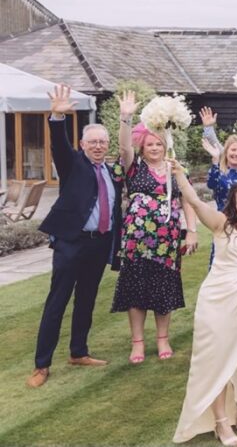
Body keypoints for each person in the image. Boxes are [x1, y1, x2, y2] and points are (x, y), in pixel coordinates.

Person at [171, 174, 237, 446]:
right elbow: (195, 202)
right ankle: (220, 421)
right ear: (234, 205)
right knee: (216, 360)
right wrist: (179, 174)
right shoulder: (223, 225)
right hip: (217, 300)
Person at [27, 85, 124, 388]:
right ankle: (42, 365)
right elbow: (58, 145)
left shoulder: (111, 171)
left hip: (99, 244)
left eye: (102, 142)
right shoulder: (72, 164)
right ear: (82, 145)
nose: (98, 146)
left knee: (86, 299)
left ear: (107, 145)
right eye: (92, 142)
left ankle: (78, 352)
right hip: (71, 243)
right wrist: (57, 117)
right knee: (57, 301)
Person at [112, 91, 198, 365]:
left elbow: (187, 200)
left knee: (163, 289)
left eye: (158, 144)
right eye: (149, 144)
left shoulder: (175, 168)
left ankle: (163, 338)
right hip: (137, 241)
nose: (154, 148)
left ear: (165, 145)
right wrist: (125, 117)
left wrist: (191, 230)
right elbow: (124, 148)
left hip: (167, 241)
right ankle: (137, 342)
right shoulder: (134, 166)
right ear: (142, 147)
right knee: (136, 290)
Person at [203, 134, 237, 211]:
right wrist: (216, 159)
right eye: (233, 150)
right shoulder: (218, 171)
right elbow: (211, 185)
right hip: (226, 216)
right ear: (226, 151)